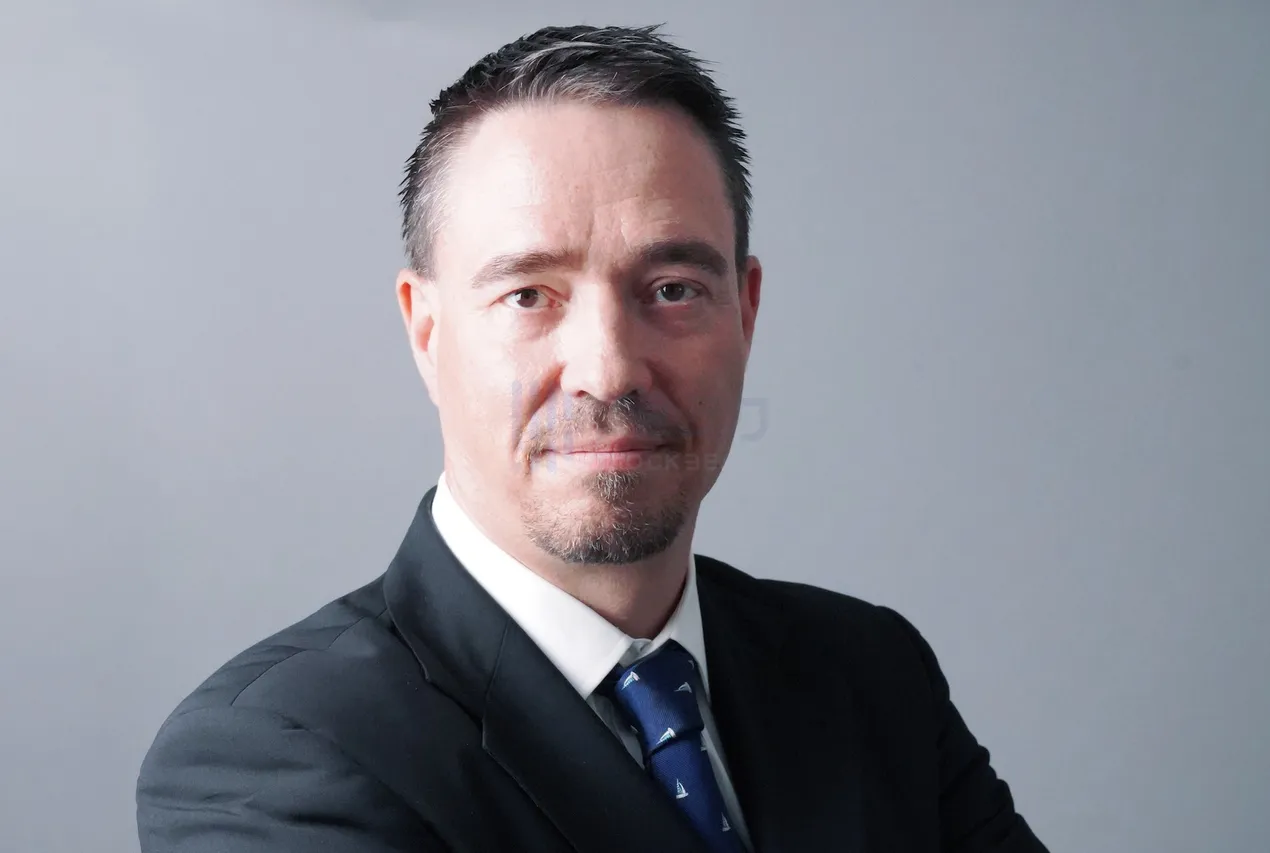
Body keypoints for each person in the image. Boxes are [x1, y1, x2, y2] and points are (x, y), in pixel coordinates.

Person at [136, 23, 1049, 853]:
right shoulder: (273, 758)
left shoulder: (869, 673)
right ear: (427, 330)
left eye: (672, 290)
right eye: (529, 295)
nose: (608, 371)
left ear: (746, 311)